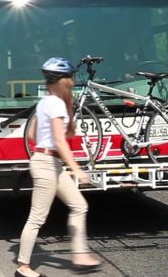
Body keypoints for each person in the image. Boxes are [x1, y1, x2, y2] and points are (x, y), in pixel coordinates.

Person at [15, 57, 102, 277]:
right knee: (37, 217)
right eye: (69, 77)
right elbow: (60, 140)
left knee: (79, 205)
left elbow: (33, 135)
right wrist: (77, 169)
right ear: (61, 80)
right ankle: (23, 267)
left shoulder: (45, 101)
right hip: (47, 164)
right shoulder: (55, 104)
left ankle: (80, 255)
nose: (72, 81)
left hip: (49, 162)